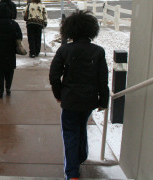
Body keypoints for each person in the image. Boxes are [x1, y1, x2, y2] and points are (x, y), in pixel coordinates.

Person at [49, 10, 109, 180]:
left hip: (69, 100)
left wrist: (58, 94)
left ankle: (72, 173)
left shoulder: (65, 50)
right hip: (89, 100)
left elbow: (54, 75)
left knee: (69, 134)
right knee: (81, 127)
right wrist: (103, 101)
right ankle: (81, 156)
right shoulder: (98, 52)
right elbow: (102, 80)